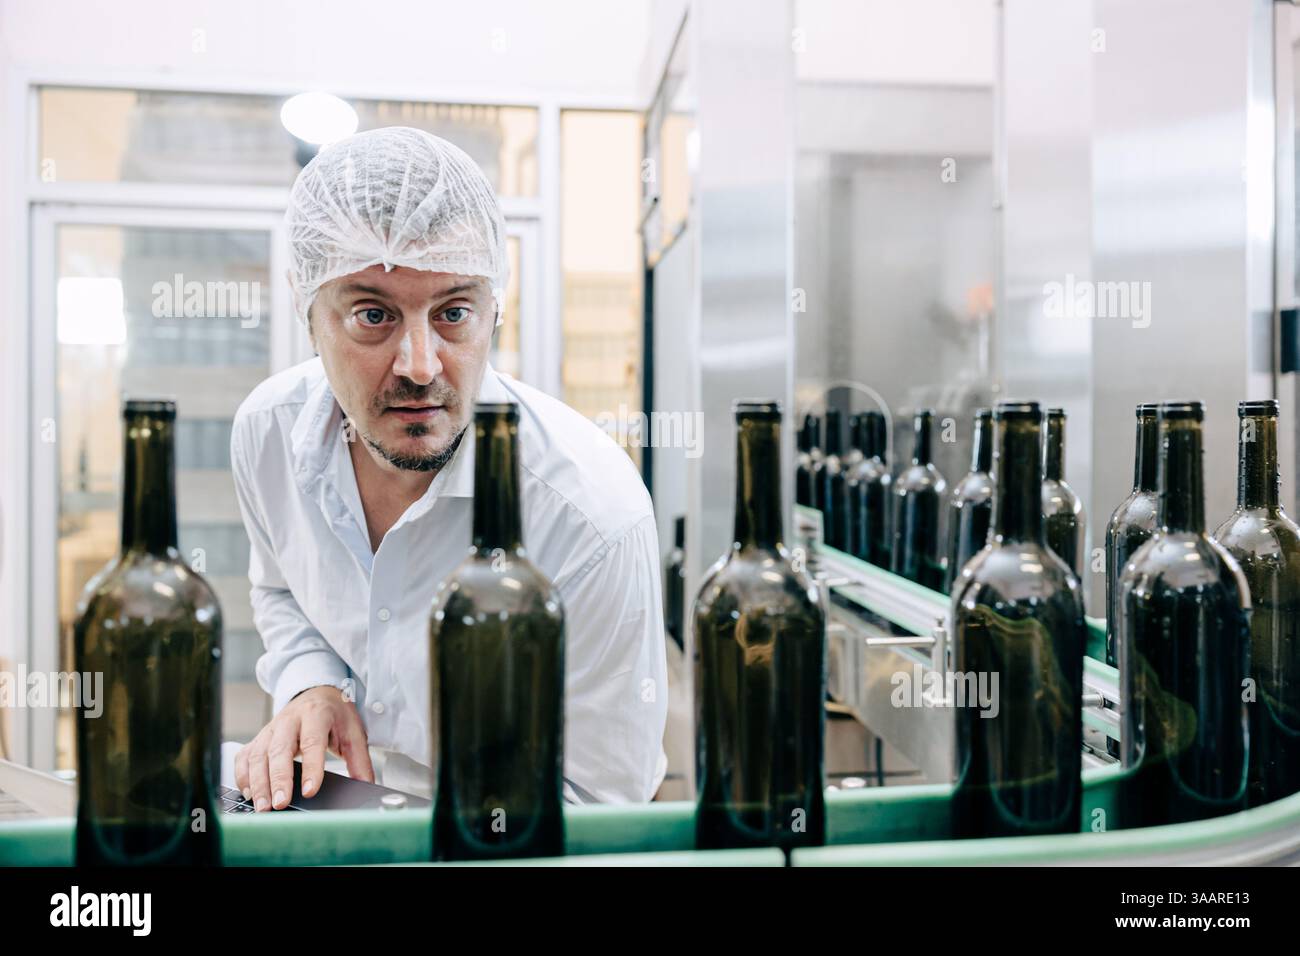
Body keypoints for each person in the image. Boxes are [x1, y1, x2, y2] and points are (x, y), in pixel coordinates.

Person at [230, 127, 667, 810]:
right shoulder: (267, 436)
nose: (421, 366)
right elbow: (283, 592)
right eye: (372, 314)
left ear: (495, 309)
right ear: (309, 315)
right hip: (330, 814)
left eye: (454, 313)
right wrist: (310, 681)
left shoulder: (591, 518)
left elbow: (601, 807)